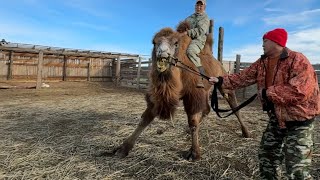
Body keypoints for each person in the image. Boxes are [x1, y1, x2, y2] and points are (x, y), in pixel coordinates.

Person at [209, 28, 320, 179]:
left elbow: (300, 90)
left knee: (297, 168)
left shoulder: (297, 60)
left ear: (276, 42)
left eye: (265, 41)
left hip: (300, 121)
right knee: (267, 157)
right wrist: (221, 80)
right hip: (276, 118)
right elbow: (243, 77)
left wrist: (267, 93)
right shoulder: (263, 62)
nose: (262, 44)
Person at [180, 0, 210, 88]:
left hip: (198, 39)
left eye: (201, 5)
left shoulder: (205, 18)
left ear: (204, 7)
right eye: (197, 5)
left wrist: (187, 33)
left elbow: (201, 31)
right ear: (195, 6)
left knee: (191, 51)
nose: (199, 7)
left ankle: (201, 76)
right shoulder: (189, 18)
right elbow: (183, 27)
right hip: (187, 38)